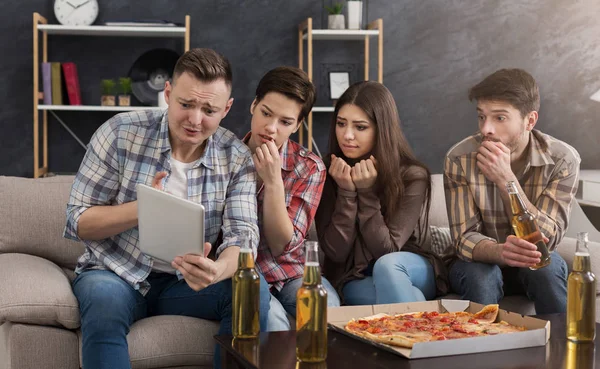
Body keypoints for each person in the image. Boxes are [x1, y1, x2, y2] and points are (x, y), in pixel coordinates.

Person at [63, 48, 270, 369]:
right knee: (103, 302)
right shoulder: (119, 133)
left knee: (252, 288)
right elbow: (79, 221)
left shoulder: (236, 157)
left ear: (227, 108)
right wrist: (142, 208)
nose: (195, 119)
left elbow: (243, 239)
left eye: (209, 110)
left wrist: (218, 270)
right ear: (168, 93)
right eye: (186, 104)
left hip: (183, 283)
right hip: (114, 274)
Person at [444, 68, 581, 314]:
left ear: (530, 120)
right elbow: (464, 238)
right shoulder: (459, 158)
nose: (486, 129)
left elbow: (549, 237)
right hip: (480, 262)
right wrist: (500, 252)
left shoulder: (563, 160)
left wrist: (506, 180)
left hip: (535, 257)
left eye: (499, 118)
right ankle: (480, 348)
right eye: (481, 117)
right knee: (480, 276)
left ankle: (562, 347)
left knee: (546, 268)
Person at [316, 80, 446, 306]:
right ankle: (415, 336)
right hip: (353, 277)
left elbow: (387, 251)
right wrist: (347, 192)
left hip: (406, 266)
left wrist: (366, 192)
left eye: (360, 127)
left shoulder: (412, 175)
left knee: (388, 267)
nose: (347, 135)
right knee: (413, 299)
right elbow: (335, 253)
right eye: (341, 123)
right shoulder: (327, 171)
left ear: (381, 129)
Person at [242, 66, 340, 330]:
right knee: (271, 319)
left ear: (297, 125)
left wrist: (274, 181)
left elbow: (281, 246)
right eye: (266, 113)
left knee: (326, 312)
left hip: (290, 272)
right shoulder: (226, 156)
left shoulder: (308, 167)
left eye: (285, 122)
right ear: (253, 105)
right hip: (243, 273)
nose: (271, 128)